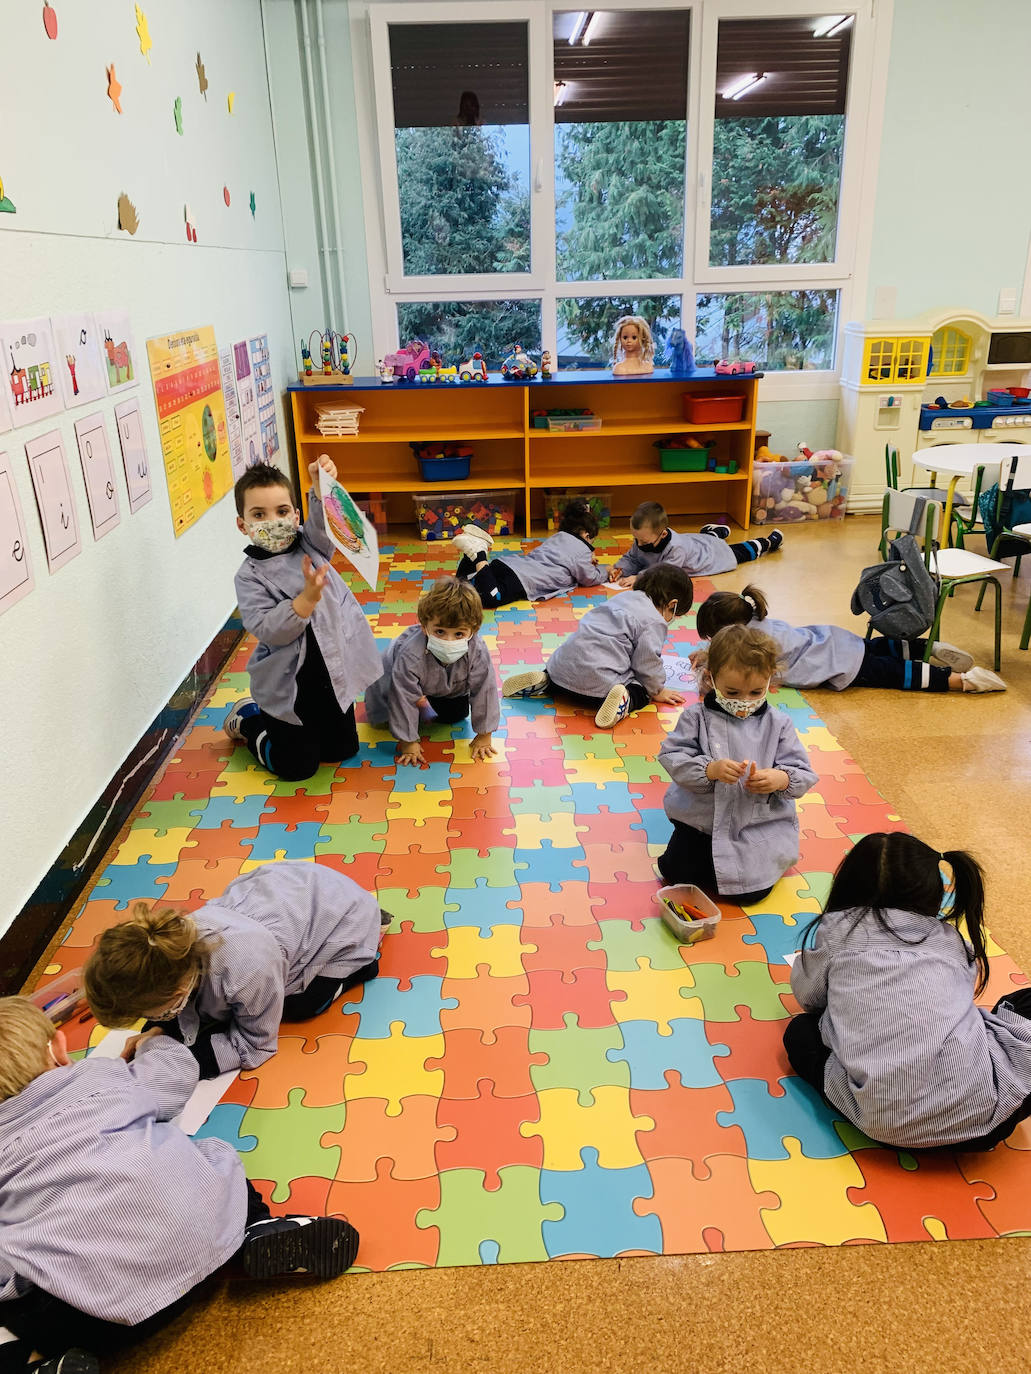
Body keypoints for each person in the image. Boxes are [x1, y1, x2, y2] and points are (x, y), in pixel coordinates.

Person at [0, 996, 358, 1372]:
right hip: (208, 1236)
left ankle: (28, 1363)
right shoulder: (101, 1076)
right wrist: (156, 1040)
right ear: (58, 1047)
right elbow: (174, 1072)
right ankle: (256, 1226)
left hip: (97, 1320)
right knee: (207, 1155)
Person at [785, 833, 1031, 1150]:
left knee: (800, 1033)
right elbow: (959, 997)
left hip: (888, 1128)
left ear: (846, 884)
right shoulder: (954, 941)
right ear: (931, 894)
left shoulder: (837, 932)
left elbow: (809, 998)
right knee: (1016, 1007)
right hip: (989, 1120)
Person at [83, 863, 389, 1079]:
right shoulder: (170, 944)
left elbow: (257, 1044)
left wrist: (187, 1062)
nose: (152, 1019)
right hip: (291, 891)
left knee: (300, 1004)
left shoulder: (248, 969)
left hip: (343, 919)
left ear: (177, 995)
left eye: (158, 1013)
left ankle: (363, 960)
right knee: (228, 1005)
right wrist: (159, 1029)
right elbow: (186, 1004)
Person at [223, 456, 382, 781]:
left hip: (332, 675)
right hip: (289, 686)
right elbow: (266, 628)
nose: (273, 521)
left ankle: (313, 729)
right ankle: (250, 720)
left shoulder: (310, 544)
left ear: (295, 515)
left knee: (342, 751)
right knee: (296, 768)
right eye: (259, 514)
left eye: (281, 512)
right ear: (243, 525)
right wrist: (305, 601)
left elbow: (326, 524)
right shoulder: (249, 577)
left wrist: (320, 485)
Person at [656, 624, 817, 904]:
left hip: (754, 826)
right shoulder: (696, 718)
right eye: (732, 692)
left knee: (751, 893)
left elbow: (803, 771)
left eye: (756, 692)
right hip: (700, 824)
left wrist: (781, 779)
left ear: (770, 682)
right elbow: (673, 757)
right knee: (674, 873)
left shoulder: (778, 724)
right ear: (711, 678)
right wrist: (708, 770)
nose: (744, 702)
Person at [693, 584, 1007, 694]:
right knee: (881, 647)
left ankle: (962, 681)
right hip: (835, 640)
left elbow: (734, 669)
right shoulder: (755, 617)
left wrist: (708, 662)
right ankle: (928, 647)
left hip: (840, 664)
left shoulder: (751, 646)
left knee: (897, 674)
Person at [502, 565, 695, 729]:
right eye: (676, 616)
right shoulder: (654, 621)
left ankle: (545, 680)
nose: (672, 621)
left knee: (576, 664)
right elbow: (647, 664)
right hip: (598, 690)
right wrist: (658, 690)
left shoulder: (621, 599)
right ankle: (625, 701)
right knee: (642, 689)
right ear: (672, 605)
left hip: (560, 672)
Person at [365, 576, 499, 766]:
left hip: (444, 682)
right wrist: (408, 741)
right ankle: (417, 705)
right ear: (424, 627)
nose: (448, 641)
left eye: (459, 634)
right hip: (391, 680)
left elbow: (485, 690)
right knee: (385, 718)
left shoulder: (477, 649)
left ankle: (426, 699)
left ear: (474, 630)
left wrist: (485, 734)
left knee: (455, 715)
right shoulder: (410, 655)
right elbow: (402, 695)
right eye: (440, 632)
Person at [451, 497, 607, 608]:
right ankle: (479, 554)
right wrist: (605, 570)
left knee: (461, 589)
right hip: (522, 580)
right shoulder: (582, 550)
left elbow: (566, 561)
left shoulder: (558, 537)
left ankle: (470, 554)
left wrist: (587, 561)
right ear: (587, 536)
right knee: (492, 598)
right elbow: (589, 578)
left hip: (509, 565)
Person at [609, 501, 782, 587]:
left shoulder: (675, 549)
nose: (638, 544)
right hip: (695, 543)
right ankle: (717, 531)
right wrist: (619, 569)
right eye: (635, 538)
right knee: (706, 539)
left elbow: (664, 574)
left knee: (735, 553)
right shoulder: (643, 539)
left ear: (662, 534)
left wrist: (639, 578)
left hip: (707, 557)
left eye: (643, 541)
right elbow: (632, 558)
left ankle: (767, 542)